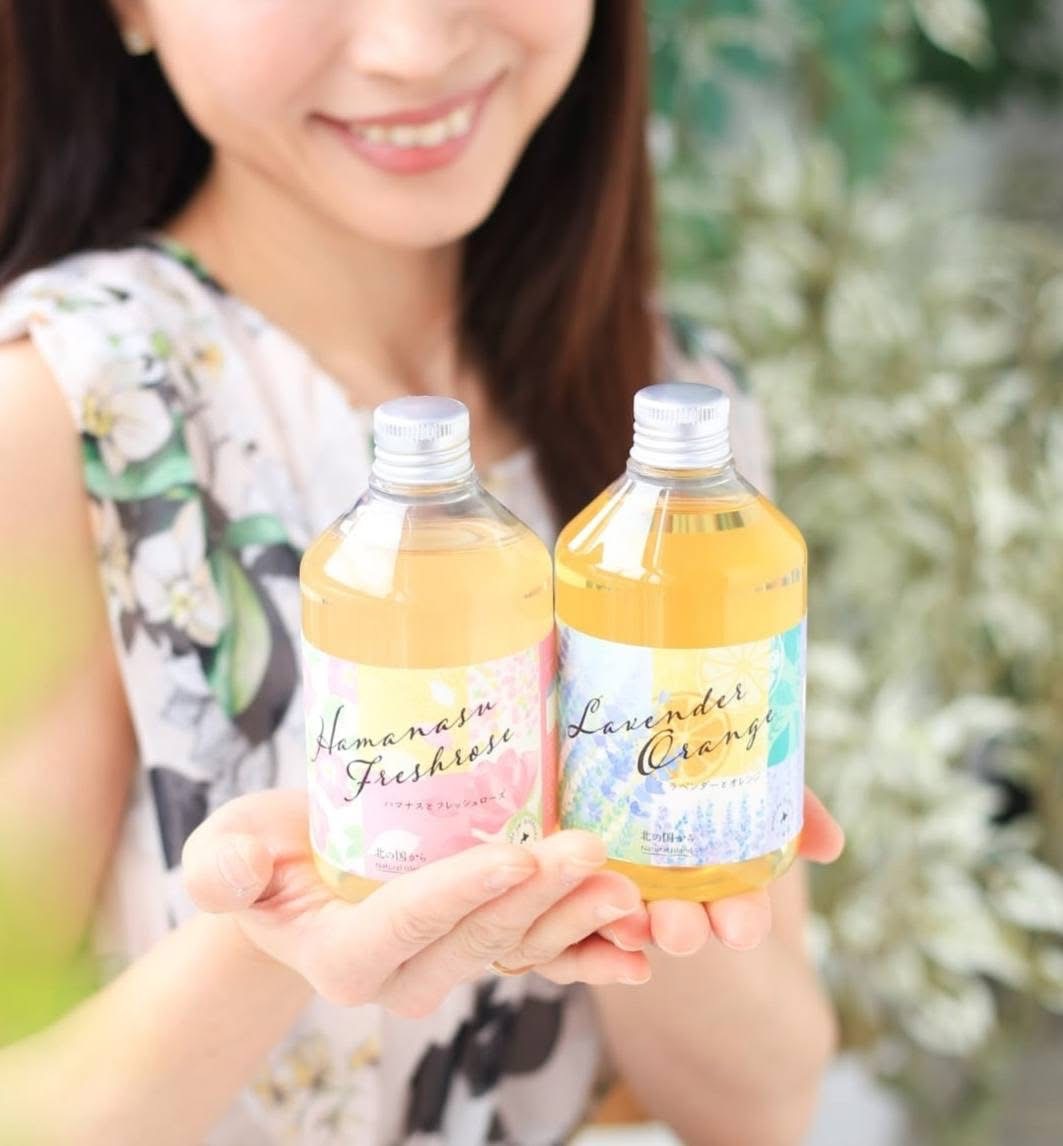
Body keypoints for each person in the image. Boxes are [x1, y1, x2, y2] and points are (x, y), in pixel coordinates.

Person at [0, 2, 844, 1143]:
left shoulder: (672, 415)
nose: (413, 45)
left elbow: (761, 1106)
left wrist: (634, 810)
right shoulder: (60, 414)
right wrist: (284, 927)